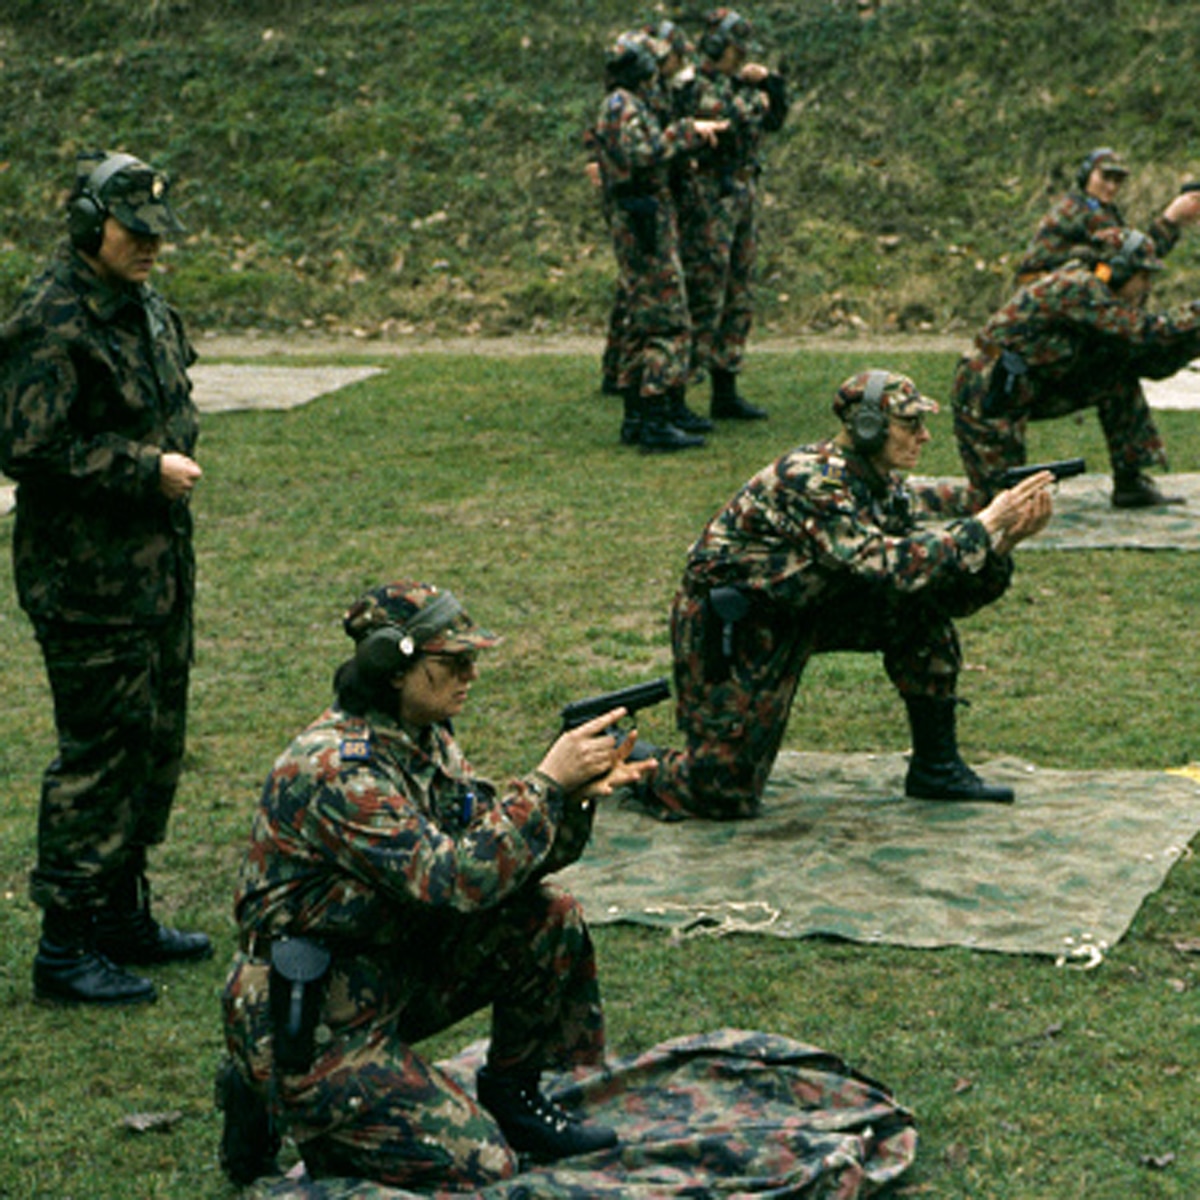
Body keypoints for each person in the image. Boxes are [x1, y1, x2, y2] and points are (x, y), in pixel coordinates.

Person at [217, 581, 655, 1190]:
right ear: (392, 669)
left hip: (381, 968)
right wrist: (546, 787)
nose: (470, 675)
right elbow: (450, 881)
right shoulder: (338, 769)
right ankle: (273, 1087)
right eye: (453, 662)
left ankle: (513, 1097)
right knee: (482, 1169)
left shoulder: (425, 738)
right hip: (311, 1014)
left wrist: (574, 801)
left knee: (546, 916)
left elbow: (490, 855)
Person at [634, 371, 1052, 821]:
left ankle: (937, 766)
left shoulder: (878, 480)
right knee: (718, 794)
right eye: (911, 424)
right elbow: (883, 562)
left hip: (807, 606)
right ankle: (622, 755)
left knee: (918, 610)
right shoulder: (813, 480)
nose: (924, 436)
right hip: (741, 624)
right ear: (867, 426)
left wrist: (1002, 540)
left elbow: (933, 578)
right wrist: (985, 526)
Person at [0, 150, 210, 1007]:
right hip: (86, 582)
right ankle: (66, 943)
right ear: (90, 227)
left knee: (153, 740)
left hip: (155, 566)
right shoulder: (51, 319)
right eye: (135, 232)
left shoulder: (141, 302)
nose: (151, 247)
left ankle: (123, 913)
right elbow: (26, 449)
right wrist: (140, 468)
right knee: (99, 754)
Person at [954, 226, 1200, 507]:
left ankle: (1132, 480)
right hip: (989, 391)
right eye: (1142, 276)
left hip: (1030, 384)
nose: (1146, 286)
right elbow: (1146, 332)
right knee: (996, 503)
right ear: (1117, 270)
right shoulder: (1080, 287)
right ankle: (916, 502)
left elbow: (1149, 359)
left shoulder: (1093, 290)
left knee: (1118, 376)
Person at [591, 30, 727, 452]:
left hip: (644, 215)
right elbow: (641, 152)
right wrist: (686, 132)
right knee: (666, 318)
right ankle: (653, 416)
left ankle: (641, 414)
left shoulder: (626, 103)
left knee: (644, 319)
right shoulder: (622, 106)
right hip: (643, 219)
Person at [682, 7, 788, 422]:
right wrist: (756, 95)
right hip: (711, 194)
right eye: (735, 47)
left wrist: (771, 87)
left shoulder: (734, 83)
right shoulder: (698, 86)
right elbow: (734, 115)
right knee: (705, 289)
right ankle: (677, 391)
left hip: (741, 190)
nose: (741, 55)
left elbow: (771, 117)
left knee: (738, 291)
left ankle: (725, 386)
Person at [1014, 147, 1200, 285]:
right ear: (1086, 175)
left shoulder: (1099, 209)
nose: (1111, 187)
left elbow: (1136, 254)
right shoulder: (1079, 210)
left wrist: (1174, 221)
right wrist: (1170, 218)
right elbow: (1135, 255)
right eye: (1105, 177)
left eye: (1117, 181)